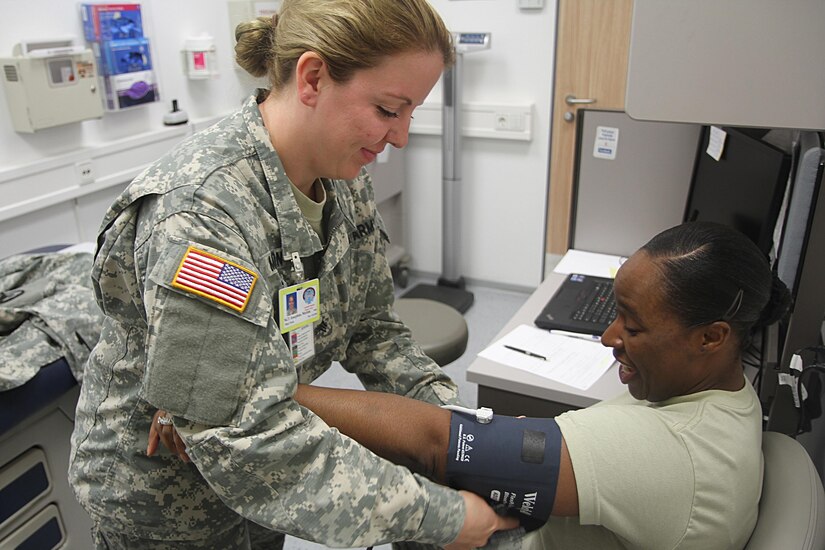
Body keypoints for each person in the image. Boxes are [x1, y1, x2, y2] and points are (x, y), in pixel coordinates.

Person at [68, 1, 517, 548]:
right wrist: (437, 516)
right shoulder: (203, 214)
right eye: (386, 109)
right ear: (312, 78)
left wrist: (464, 435)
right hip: (169, 507)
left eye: (411, 113)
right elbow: (243, 435)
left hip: (264, 496)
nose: (399, 136)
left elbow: (373, 330)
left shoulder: (341, 176)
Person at [212, 221, 789, 549]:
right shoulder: (727, 400)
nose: (610, 336)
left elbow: (440, 442)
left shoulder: (667, 452)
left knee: (414, 487)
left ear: (711, 337)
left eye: (633, 325)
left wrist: (250, 393)